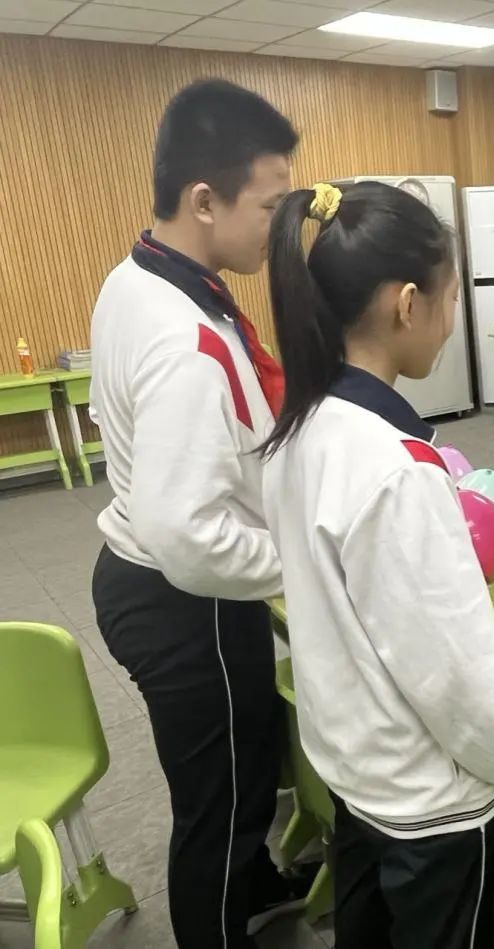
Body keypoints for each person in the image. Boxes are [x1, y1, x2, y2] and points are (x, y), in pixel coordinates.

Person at [259, 181, 494, 948]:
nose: (453, 321)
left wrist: (471, 648)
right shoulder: (399, 469)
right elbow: (456, 690)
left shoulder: (302, 428)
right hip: (430, 810)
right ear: (407, 304)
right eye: (451, 298)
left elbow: (354, 611)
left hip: (358, 774)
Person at [89, 80, 305, 947]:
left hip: (158, 576)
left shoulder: (138, 276)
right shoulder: (186, 341)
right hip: (185, 599)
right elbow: (188, 538)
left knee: (249, 755)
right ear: (205, 200)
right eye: (271, 207)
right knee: (214, 803)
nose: (280, 229)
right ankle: (220, 922)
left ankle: (255, 883)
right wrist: (308, 557)